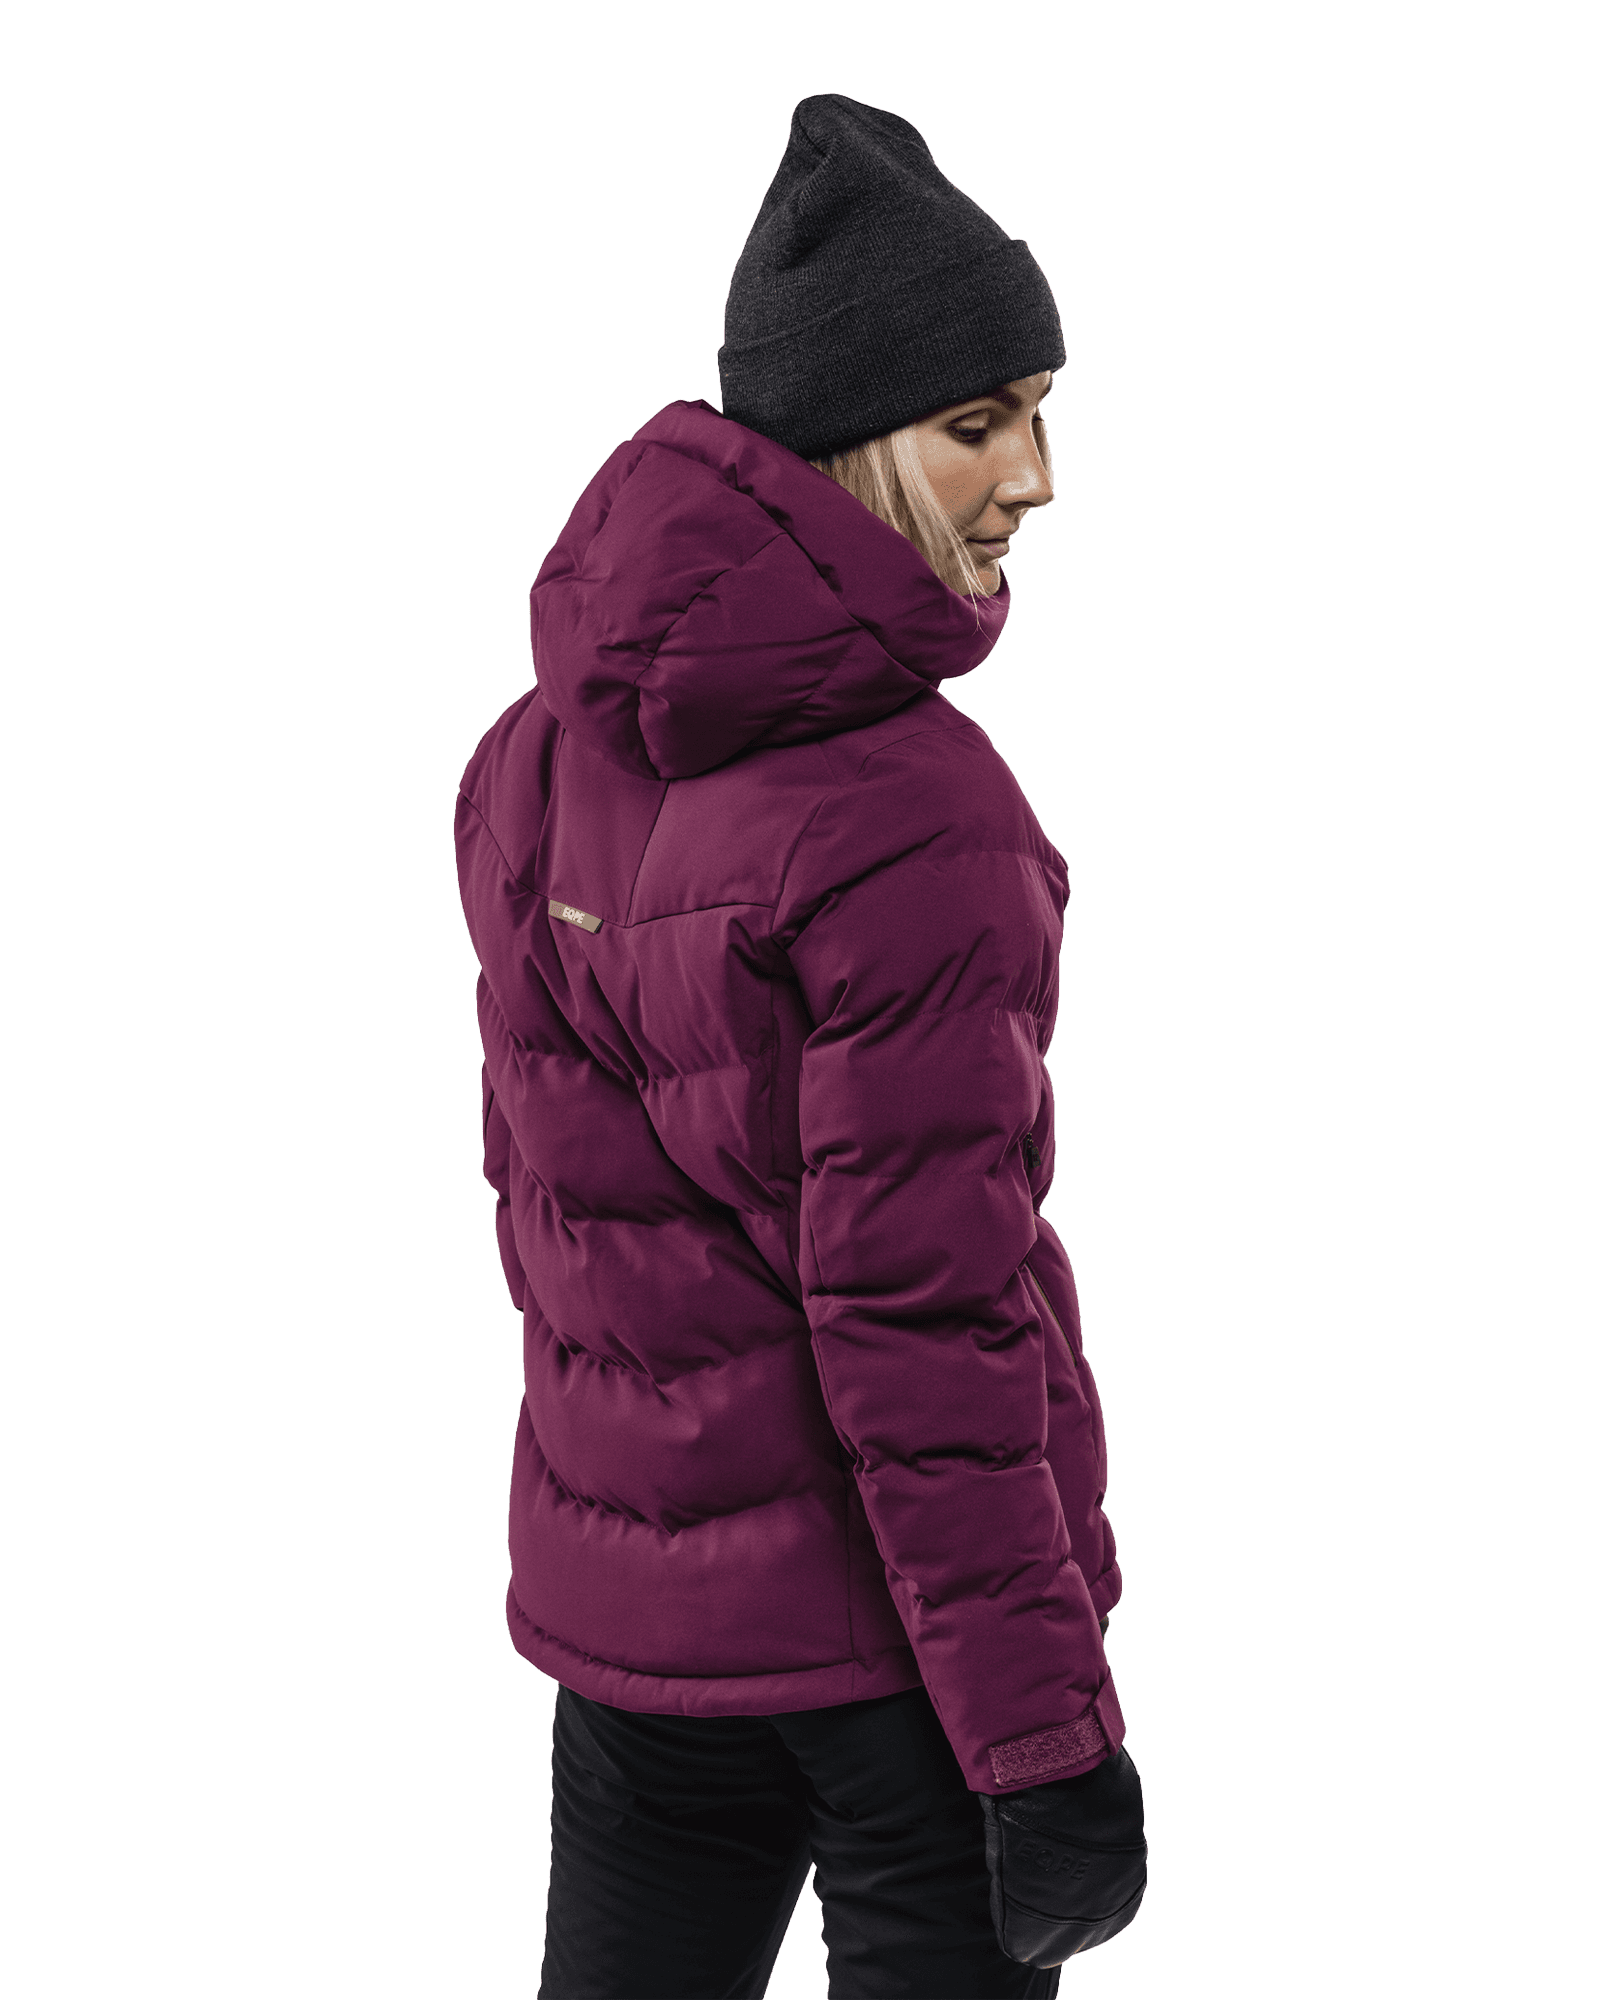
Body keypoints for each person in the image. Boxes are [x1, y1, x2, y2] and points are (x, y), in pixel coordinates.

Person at [455, 94, 1147, 2000]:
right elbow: (927, 1320)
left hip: (628, 1635)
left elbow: (552, 1218)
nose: (1038, 479)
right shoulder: (918, 818)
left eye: (1040, 415)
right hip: (893, 1666)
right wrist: (1046, 1740)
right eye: (979, 423)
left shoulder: (530, 756)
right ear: (853, 441)